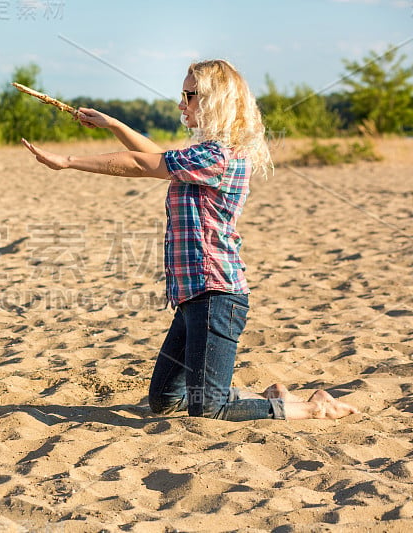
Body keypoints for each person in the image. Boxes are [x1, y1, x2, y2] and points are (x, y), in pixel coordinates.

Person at [21, 59, 358, 421]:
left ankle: (312, 407)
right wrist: (114, 124)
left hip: (216, 295)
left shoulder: (216, 156)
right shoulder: (204, 153)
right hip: (191, 296)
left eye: (190, 95)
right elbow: (153, 158)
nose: (182, 103)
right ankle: (275, 397)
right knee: (165, 400)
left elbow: (140, 165)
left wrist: (69, 160)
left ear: (216, 100)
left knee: (208, 410)